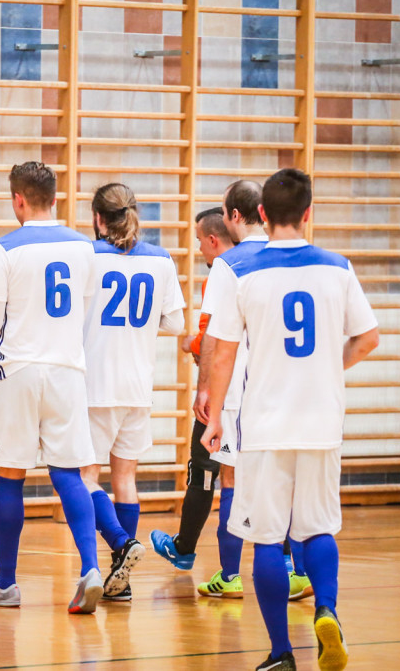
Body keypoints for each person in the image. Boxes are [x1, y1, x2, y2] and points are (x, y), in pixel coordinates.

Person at [201, 168, 379, 671]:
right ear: (307, 214)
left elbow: (223, 354)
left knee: (264, 536)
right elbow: (368, 339)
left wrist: (214, 416)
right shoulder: (337, 268)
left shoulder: (237, 269)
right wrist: (328, 364)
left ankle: (281, 652)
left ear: (261, 214)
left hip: (265, 425)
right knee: (318, 528)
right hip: (322, 421)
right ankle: (326, 609)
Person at [0, 162, 103, 615]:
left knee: (10, 474)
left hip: (20, 370)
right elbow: (85, 311)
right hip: (68, 369)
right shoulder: (85, 247)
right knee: (69, 473)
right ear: (54, 196)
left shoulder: (4, 248)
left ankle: (7, 584)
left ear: (19, 200)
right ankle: (90, 568)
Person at [150, 181, 265, 593]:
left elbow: (214, 341)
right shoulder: (280, 260)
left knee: (217, 475)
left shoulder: (227, 267)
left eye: (200, 240)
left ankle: (227, 573)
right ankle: (294, 568)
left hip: (230, 391)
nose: (198, 249)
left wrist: (204, 390)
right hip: (271, 391)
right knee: (273, 483)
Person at [79, 183, 186, 603]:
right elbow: (176, 324)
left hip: (93, 384)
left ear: (98, 219)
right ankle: (119, 581)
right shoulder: (160, 259)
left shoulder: (87, 256)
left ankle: (122, 544)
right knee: (125, 479)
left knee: (84, 478)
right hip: (137, 385)